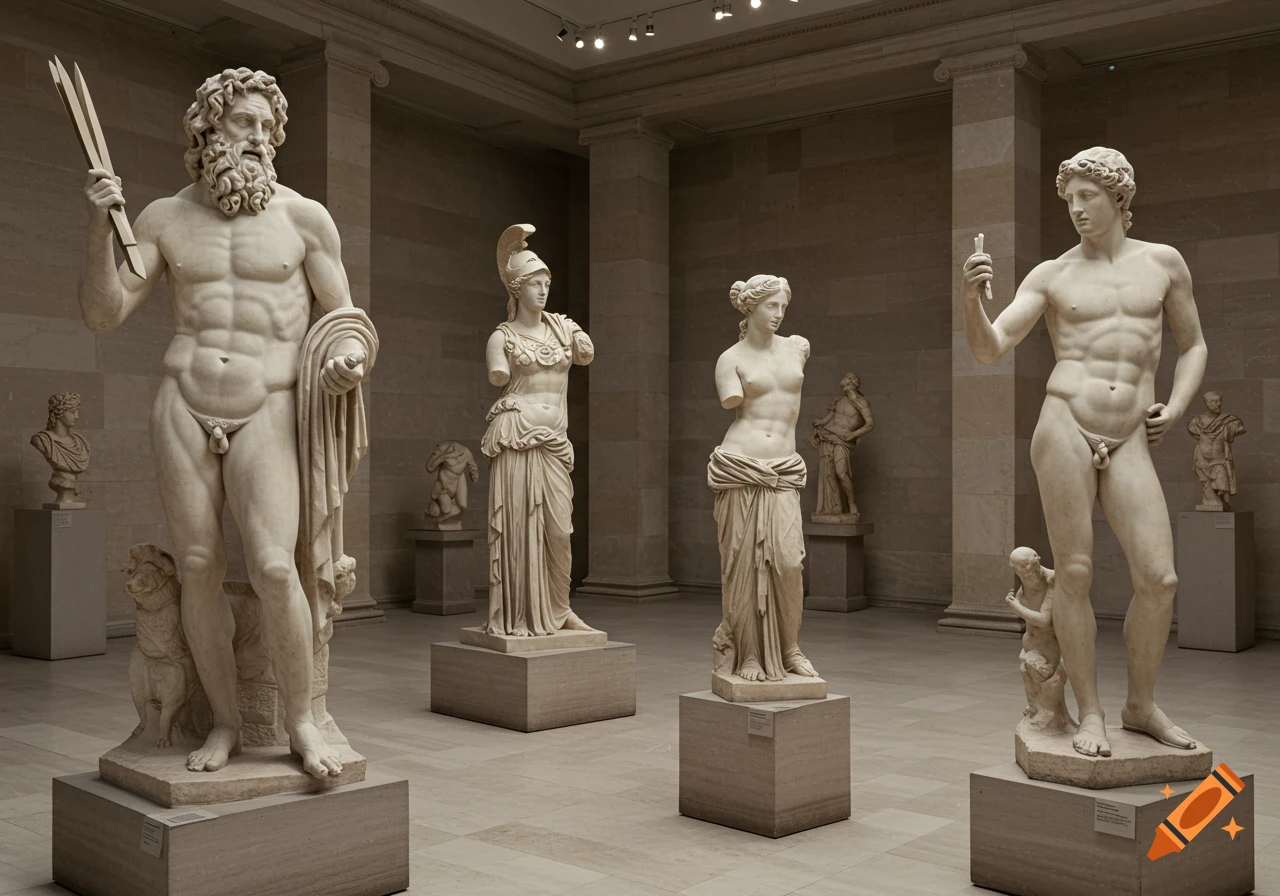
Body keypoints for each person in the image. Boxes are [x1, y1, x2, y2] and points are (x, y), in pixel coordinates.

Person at [79, 68, 376, 778]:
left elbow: (348, 321)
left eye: (267, 127)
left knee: (277, 567)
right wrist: (99, 228)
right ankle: (225, 724)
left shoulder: (306, 219)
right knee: (201, 568)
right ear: (207, 129)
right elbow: (104, 312)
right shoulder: (162, 218)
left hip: (268, 403)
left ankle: (302, 722)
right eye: (243, 123)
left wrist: (347, 359)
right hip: (184, 398)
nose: (259, 138)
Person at [961, 146, 1207, 758]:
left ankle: (1140, 705)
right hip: (1066, 423)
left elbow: (1194, 344)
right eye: (1068, 199)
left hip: (1130, 435)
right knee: (1073, 573)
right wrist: (972, 302)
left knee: (1160, 578)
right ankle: (1091, 712)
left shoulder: (1163, 264)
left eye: (1086, 196)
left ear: (1118, 196)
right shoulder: (1051, 275)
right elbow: (991, 349)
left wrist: (1175, 407)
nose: (1075, 209)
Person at [483, 224, 595, 637]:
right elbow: (498, 374)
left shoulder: (562, 328)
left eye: (547, 282)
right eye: (535, 283)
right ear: (516, 289)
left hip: (553, 442)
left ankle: (561, 610)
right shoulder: (503, 337)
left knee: (558, 530)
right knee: (519, 532)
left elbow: (587, 353)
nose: (544, 290)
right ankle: (519, 614)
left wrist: (568, 327)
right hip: (516, 436)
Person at [708, 275, 817, 683]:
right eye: (771, 306)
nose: (778, 314)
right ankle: (748, 655)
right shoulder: (729, 359)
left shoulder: (798, 348)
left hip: (784, 469)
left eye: (783, 307)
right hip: (741, 465)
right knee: (740, 567)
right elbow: (731, 401)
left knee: (789, 563)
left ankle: (790, 648)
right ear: (751, 308)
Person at [810, 372, 874, 520]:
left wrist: (853, 435)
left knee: (841, 473)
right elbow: (827, 420)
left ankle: (852, 504)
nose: (843, 378)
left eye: (846, 377)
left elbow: (870, 424)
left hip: (842, 440)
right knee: (828, 475)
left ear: (852, 382)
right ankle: (831, 509)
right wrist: (817, 426)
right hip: (827, 438)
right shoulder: (838, 401)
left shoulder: (861, 401)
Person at [1187, 391, 1246, 510]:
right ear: (1206, 404)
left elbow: (1240, 429)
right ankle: (1213, 501)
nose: (1218, 404)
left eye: (1219, 401)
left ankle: (1222, 499)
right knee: (1207, 488)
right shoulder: (1196, 422)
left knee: (1222, 480)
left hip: (1220, 459)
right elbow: (1194, 432)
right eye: (1214, 402)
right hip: (1202, 459)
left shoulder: (1231, 421)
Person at [30, 392, 91, 507]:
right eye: (72, 412)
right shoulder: (42, 440)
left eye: (77, 412)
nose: (77, 417)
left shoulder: (81, 442)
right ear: (59, 412)